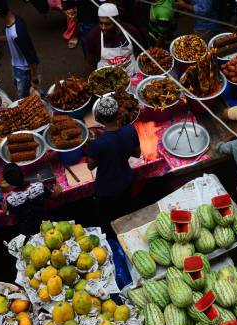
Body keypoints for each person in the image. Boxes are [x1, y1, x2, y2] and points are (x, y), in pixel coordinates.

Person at [87, 96, 141, 224]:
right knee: (125, 214)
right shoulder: (130, 130)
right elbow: (137, 154)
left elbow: (90, 166)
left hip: (106, 189)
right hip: (126, 181)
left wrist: (92, 148)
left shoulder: (98, 143)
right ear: (118, 113)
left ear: (99, 117)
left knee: (107, 219)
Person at [0, 0, 40, 99]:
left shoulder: (18, 32)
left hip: (23, 70)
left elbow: (31, 55)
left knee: (24, 98)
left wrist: (34, 78)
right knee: (25, 92)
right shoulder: (12, 20)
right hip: (16, 66)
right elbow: (10, 38)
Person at [2, 163, 60, 237]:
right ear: (23, 173)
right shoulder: (39, 186)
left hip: (27, 231)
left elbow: (10, 217)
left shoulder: (10, 199)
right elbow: (52, 196)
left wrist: (5, 212)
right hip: (45, 224)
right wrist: (57, 190)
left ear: (8, 183)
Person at [85, 2, 142, 77]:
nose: (103, 27)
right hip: (106, 79)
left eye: (108, 24)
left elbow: (140, 54)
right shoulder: (93, 36)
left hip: (130, 75)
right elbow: (90, 62)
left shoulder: (131, 31)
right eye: (100, 23)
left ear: (117, 21)